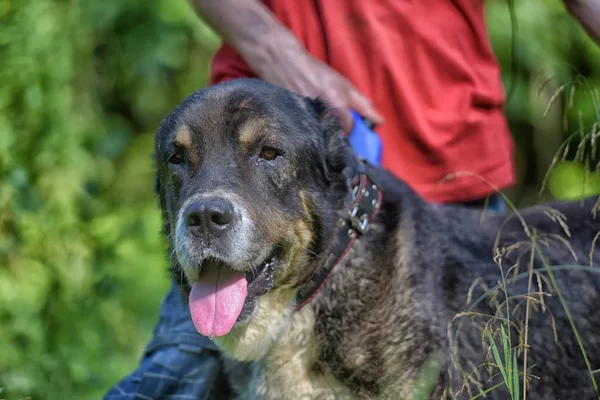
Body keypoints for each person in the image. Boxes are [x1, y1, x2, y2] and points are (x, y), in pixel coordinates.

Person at [104, 1, 600, 398]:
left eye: (267, 150)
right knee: (168, 385)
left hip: (446, 154)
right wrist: (278, 52)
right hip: (247, 104)